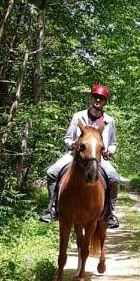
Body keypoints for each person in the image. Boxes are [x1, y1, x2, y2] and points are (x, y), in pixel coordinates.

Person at [39, 83, 121, 227]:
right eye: (95, 97)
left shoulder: (109, 121)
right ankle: (52, 208)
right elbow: (67, 138)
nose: (98, 100)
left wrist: (110, 150)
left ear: (105, 102)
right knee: (52, 172)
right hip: (76, 156)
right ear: (91, 98)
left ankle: (109, 213)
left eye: (101, 98)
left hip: (98, 158)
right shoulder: (78, 116)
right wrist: (72, 145)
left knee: (114, 178)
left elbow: (113, 143)